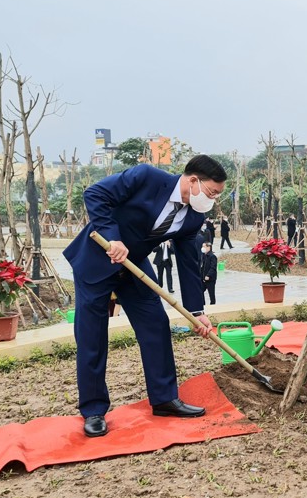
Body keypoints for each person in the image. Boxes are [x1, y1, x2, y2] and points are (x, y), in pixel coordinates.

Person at [62, 155, 226, 438]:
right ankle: (94, 410)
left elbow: (187, 261)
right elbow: (96, 193)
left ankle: (164, 398)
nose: (211, 199)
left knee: (156, 324)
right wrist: (113, 237)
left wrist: (196, 311)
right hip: (98, 259)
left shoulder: (195, 215)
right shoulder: (148, 178)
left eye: (217, 195)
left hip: (134, 265)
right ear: (192, 180)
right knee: (92, 335)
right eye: (211, 192)